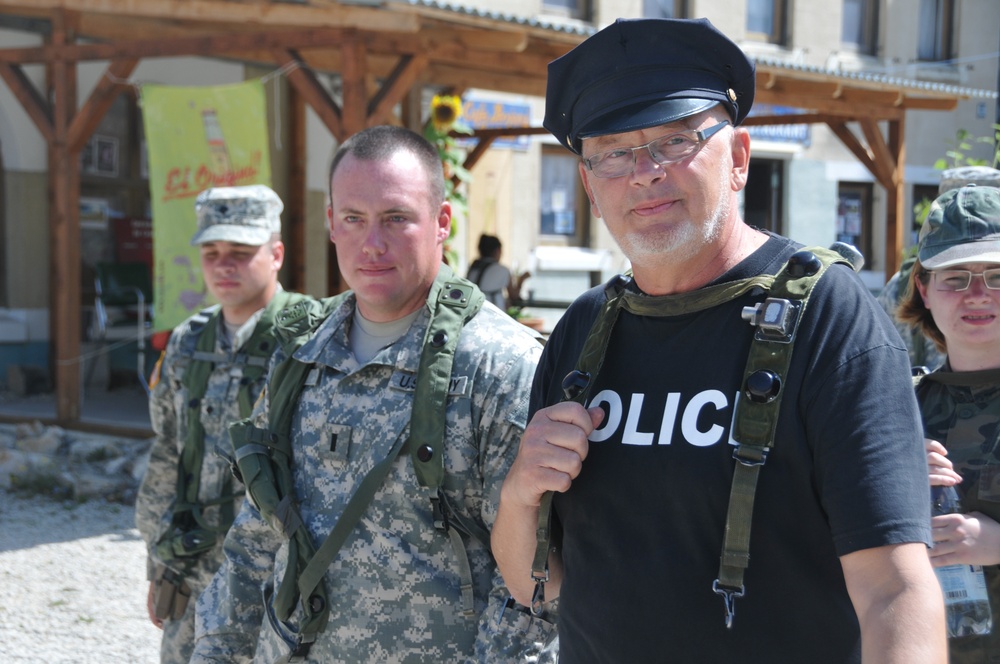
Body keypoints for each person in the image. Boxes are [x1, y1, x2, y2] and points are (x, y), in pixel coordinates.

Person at [492, 17, 946, 663]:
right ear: (590, 187)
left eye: (675, 141)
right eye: (615, 152)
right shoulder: (586, 330)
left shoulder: (827, 317)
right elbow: (537, 586)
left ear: (737, 159)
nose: (644, 173)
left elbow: (894, 589)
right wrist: (519, 492)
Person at [190, 126, 547, 662]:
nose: (372, 244)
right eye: (354, 219)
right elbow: (257, 536)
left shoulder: (502, 367)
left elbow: (530, 593)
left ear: (441, 223)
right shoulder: (301, 351)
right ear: (332, 224)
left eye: (396, 218)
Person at [135, 184, 302, 664]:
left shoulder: (311, 340)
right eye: (212, 252)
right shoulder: (189, 342)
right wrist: (159, 563)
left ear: (276, 254)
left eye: (240, 252)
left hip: (278, 572)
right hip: (195, 564)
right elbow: (167, 451)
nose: (223, 265)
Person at [897, 184, 1000, 664]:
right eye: (955, 277)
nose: (977, 294)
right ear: (924, 288)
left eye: (996, 276)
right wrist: (890, 474)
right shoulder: (895, 408)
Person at [467, 234, 513, 310]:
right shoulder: (502, 270)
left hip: (471, 312)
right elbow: (514, 295)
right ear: (497, 251)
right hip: (492, 315)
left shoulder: (473, 267)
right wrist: (522, 280)